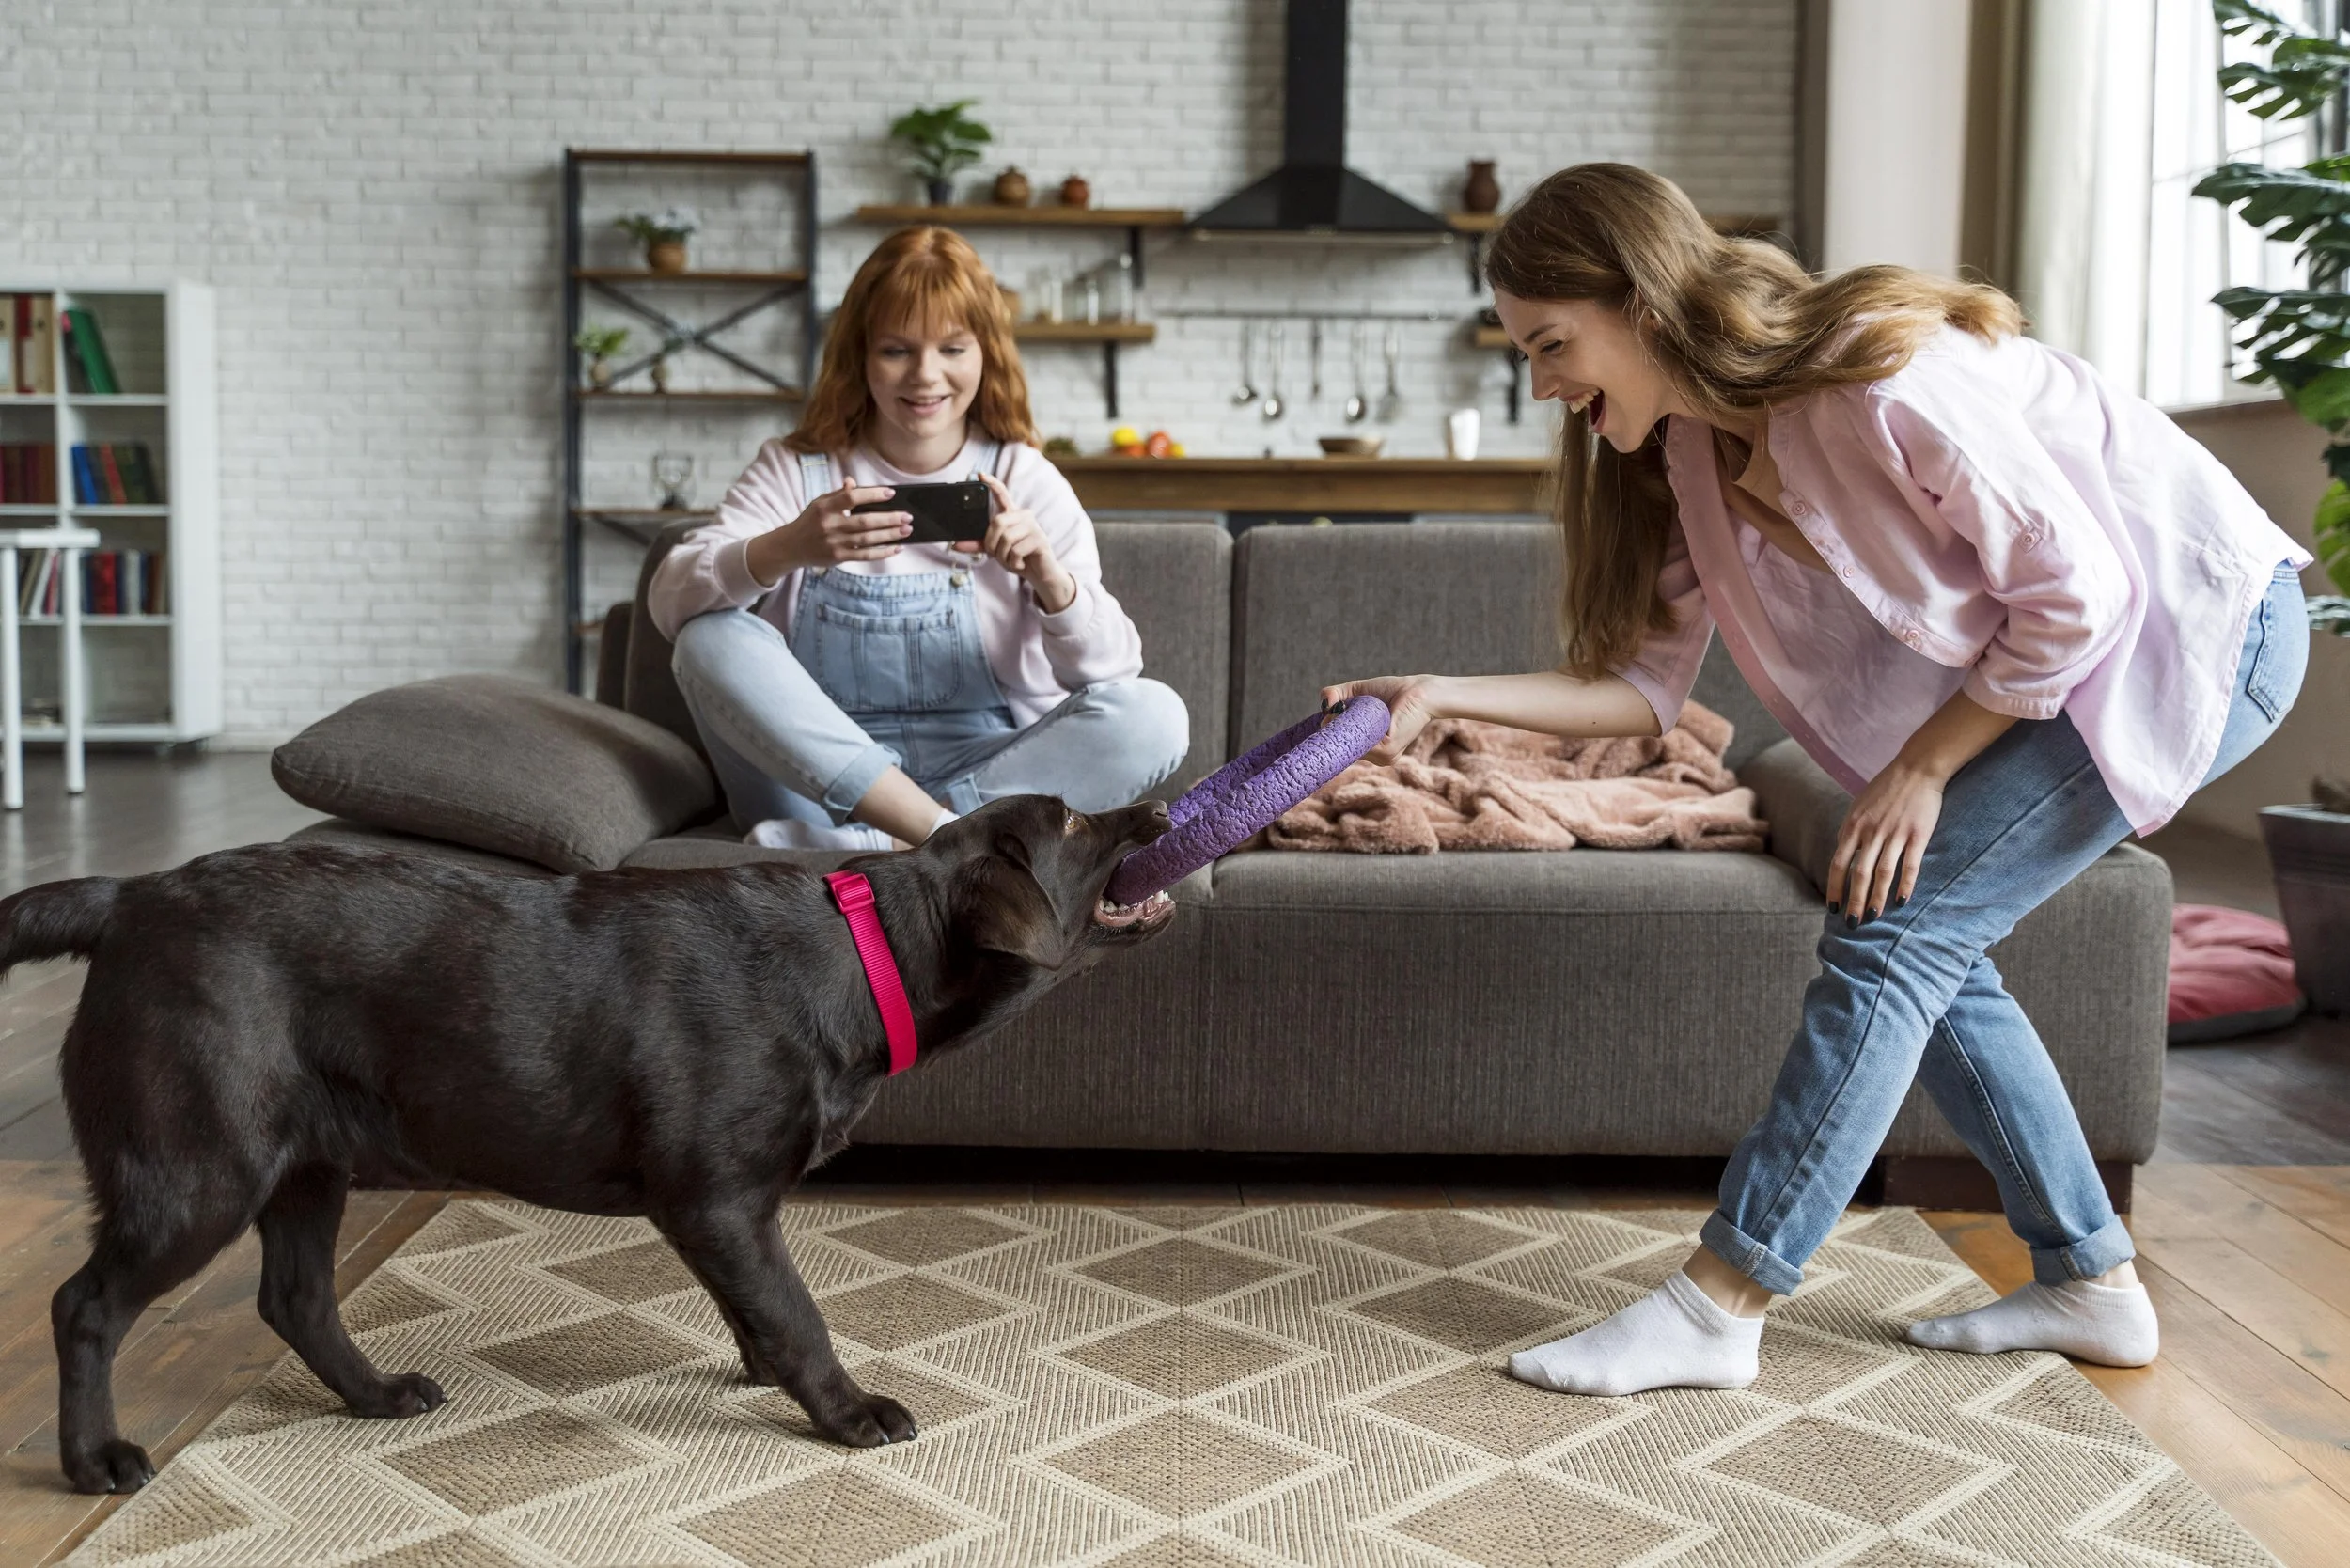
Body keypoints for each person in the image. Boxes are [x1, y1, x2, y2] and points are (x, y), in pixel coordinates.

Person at [1327, 164, 2310, 1396]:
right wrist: (1432, 692)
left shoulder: (1876, 374)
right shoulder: (1692, 453)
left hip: (2199, 629)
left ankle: (1722, 1300)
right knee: (1920, 937)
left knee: (1893, 934)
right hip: (2065, 661)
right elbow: (1642, 693)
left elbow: (2085, 597)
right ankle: (2092, 1281)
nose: (1539, 383)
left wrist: (1923, 767)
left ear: (1639, 300)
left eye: (1553, 343)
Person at [649, 227, 1189, 851]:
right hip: (814, 785)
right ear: (860, 355)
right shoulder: (795, 470)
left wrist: (1049, 578)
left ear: (986, 353)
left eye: (953, 348)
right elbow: (669, 603)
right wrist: (788, 546)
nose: (926, 376)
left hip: (985, 770)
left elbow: (1115, 673)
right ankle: (943, 842)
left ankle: (885, 847)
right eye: (897, 350)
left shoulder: (1021, 475)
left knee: (1156, 715)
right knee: (706, 636)